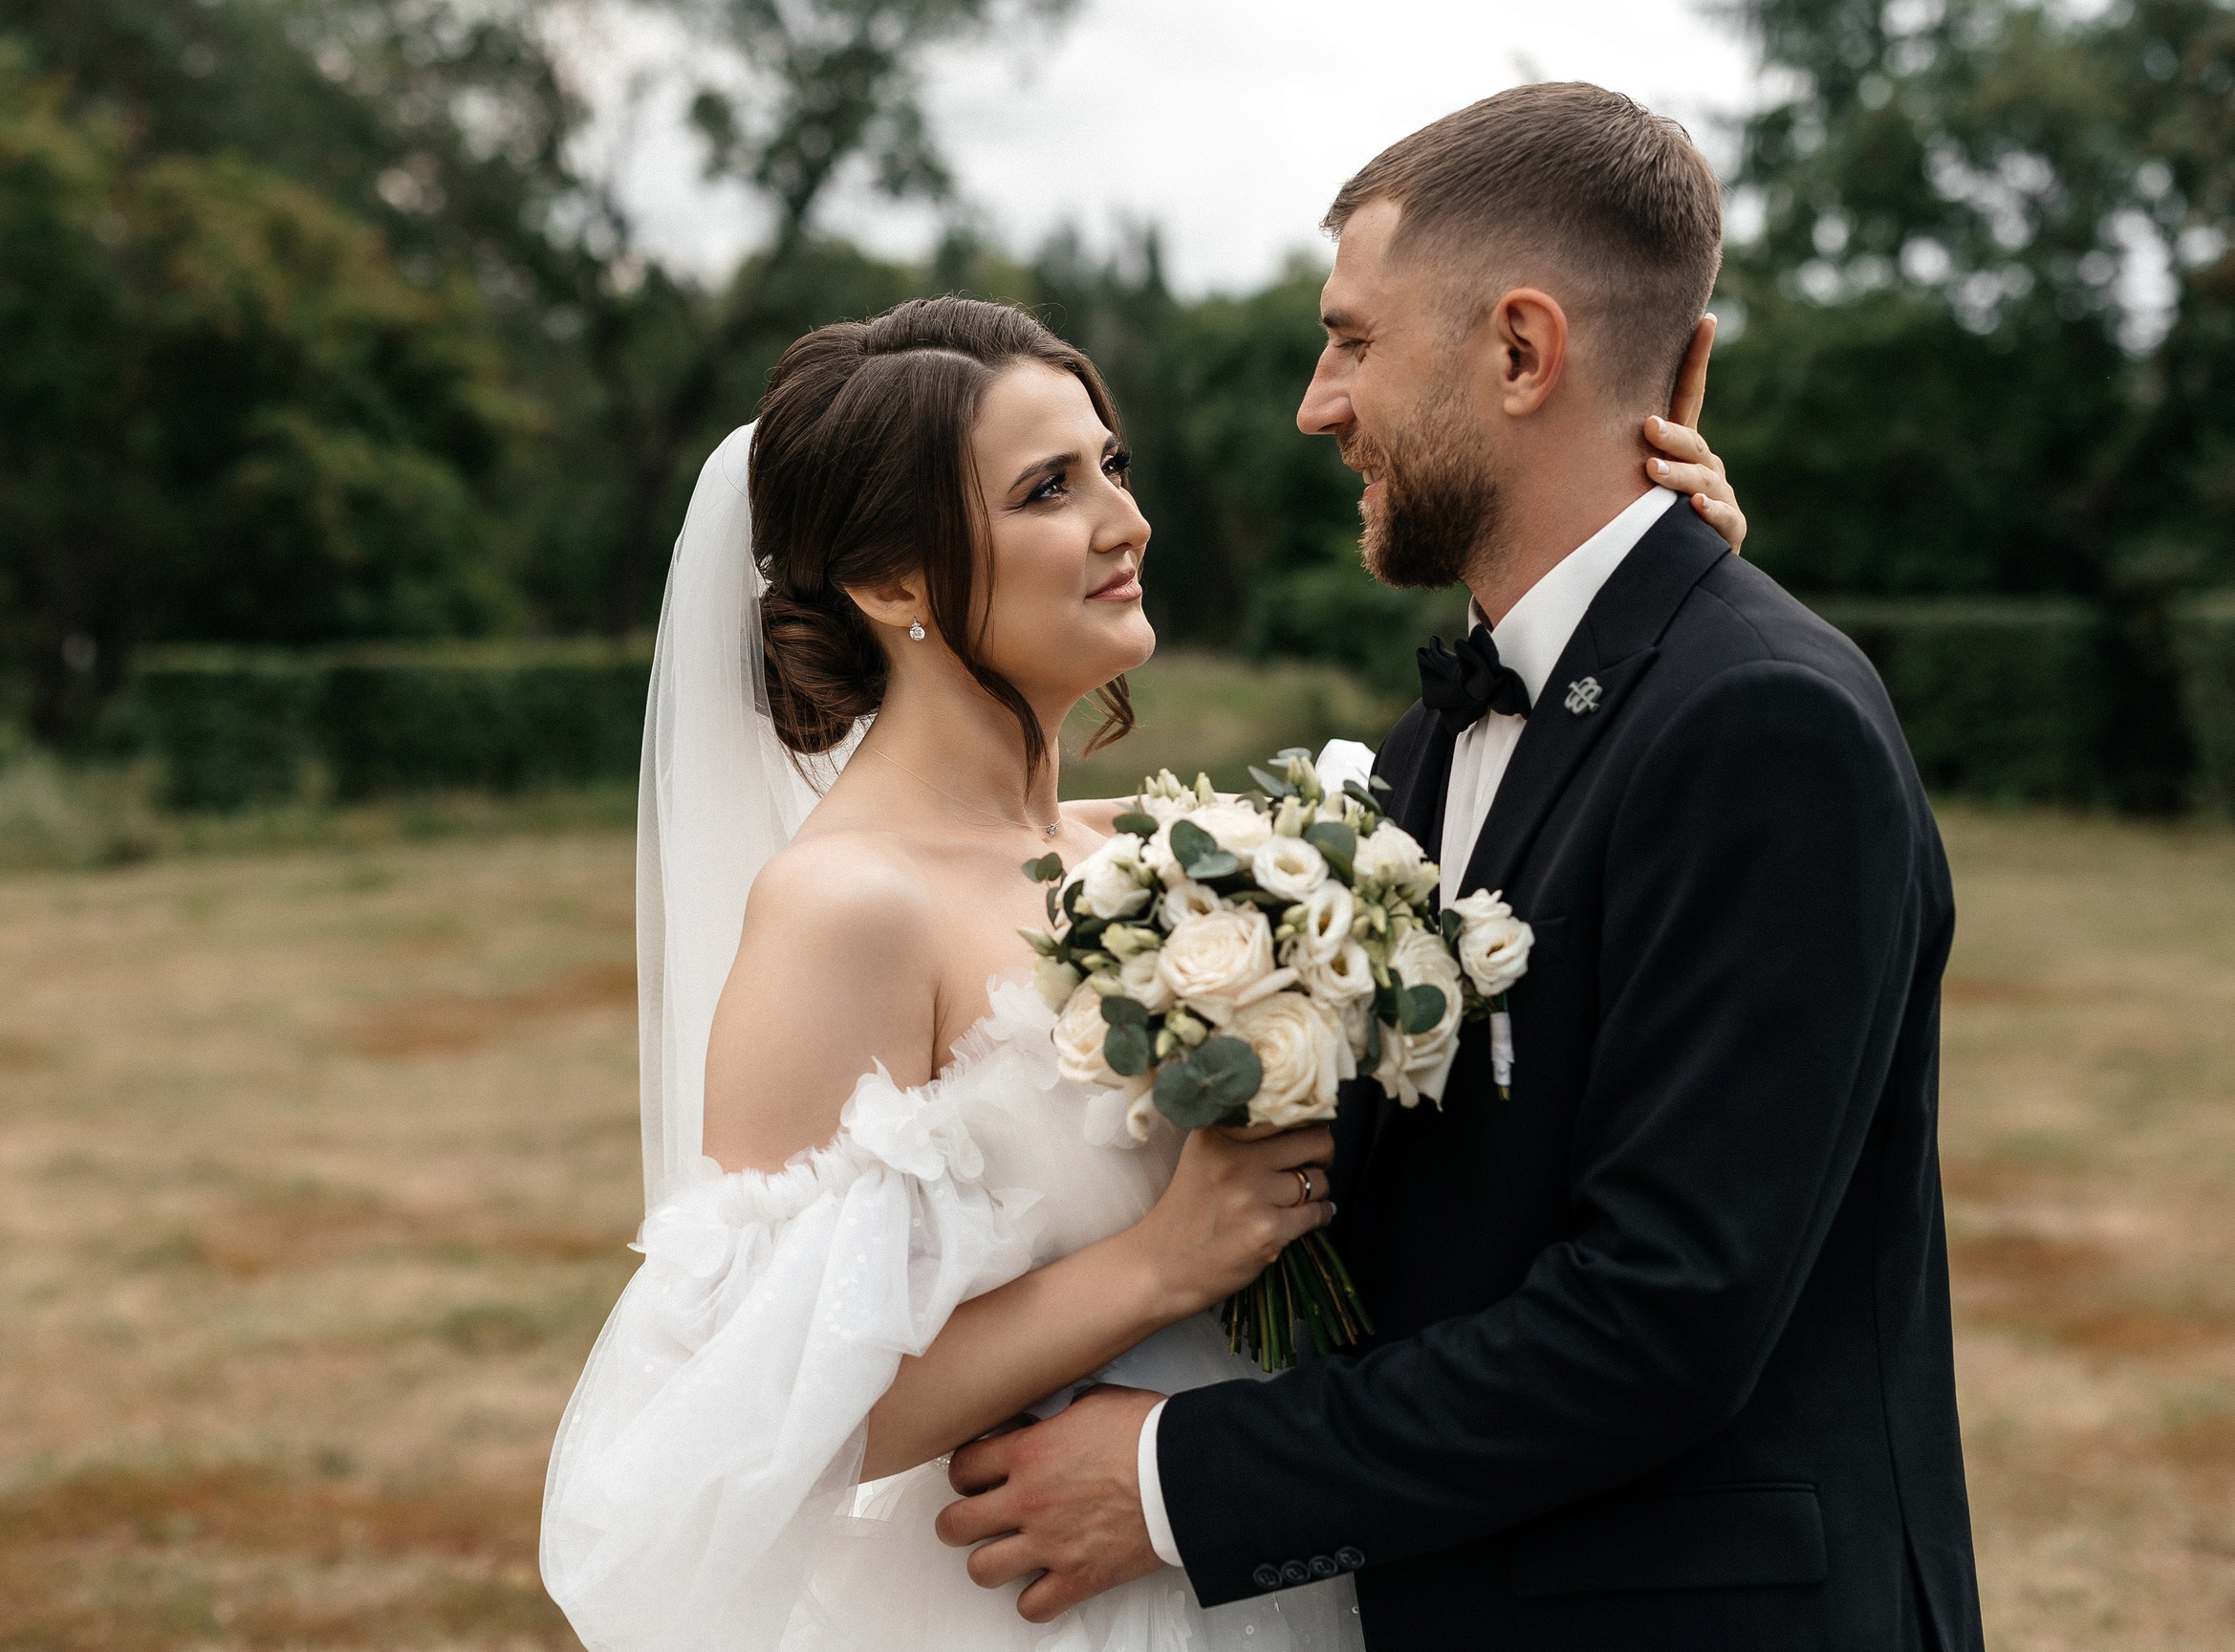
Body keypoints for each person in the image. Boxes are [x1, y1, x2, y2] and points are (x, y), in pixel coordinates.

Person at [932, 84, 1984, 1652]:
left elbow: (1662, 1320)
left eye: (1351, 341)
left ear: (1518, 352)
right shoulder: (1446, 738)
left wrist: (1168, 1482)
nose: (1315, 402)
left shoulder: (1762, 721)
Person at [538, 291, 1749, 1650]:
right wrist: (1161, 1266)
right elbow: (744, 1417)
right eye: (1049, 489)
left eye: (1112, 465)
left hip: (1278, 1563)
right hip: (1052, 1600)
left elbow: (1518, 866)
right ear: (891, 585)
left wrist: (1643, 595)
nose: (1126, 521)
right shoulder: (845, 905)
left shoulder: (1174, 852)